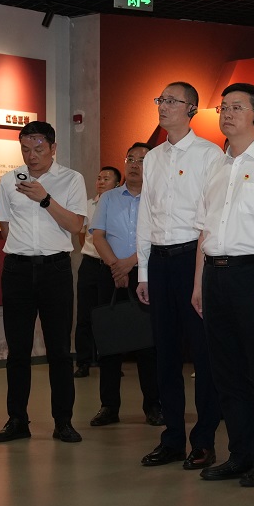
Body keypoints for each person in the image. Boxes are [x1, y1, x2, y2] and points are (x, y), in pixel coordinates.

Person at [190, 83, 254, 486]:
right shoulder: (216, 165)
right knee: (226, 372)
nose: (227, 114)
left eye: (237, 107)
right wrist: (198, 284)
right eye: (223, 107)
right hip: (215, 274)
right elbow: (204, 230)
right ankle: (240, 453)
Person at [136, 81, 224, 469]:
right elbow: (145, 215)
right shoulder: (153, 158)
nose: (163, 106)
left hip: (194, 259)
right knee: (166, 354)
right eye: (160, 99)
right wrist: (143, 272)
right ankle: (171, 437)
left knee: (203, 355)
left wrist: (201, 276)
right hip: (159, 261)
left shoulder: (209, 154)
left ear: (191, 108)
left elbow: (211, 217)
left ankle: (204, 440)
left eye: (172, 100)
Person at [0, 121, 87, 444]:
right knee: (17, 350)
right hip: (17, 270)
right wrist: (22, 251)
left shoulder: (71, 179)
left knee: (59, 350)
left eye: (38, 149)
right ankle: (17, 420)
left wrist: (45, 199)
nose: (31, 156)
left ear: (53, 148)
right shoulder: (9, 180)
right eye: (25, 149)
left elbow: (75, 226)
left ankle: (63, 421)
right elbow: (5, 225)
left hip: (55, 269)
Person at [88, 144, 160, 427]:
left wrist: (130, 263)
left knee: (148, 345)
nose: (135, 164)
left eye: (142, 160)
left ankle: (153, 405)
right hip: (111, 273)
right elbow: (98, 236)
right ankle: (108, 406)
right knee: (109, 342)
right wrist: (116, 266)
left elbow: (157, 238)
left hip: (145, 275)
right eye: (131, 159)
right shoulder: (109, 198)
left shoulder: (157, 197)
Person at [74, 165, 121, 377]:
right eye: (99, 178)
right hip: (90, 264)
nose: (101, 182)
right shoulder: (87, 205)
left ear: (117, 184)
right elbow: (82, 234)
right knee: (84, 315)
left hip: (112, 266)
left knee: (109, 315)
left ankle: (109, 361)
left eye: (106, 179)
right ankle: (83, 361)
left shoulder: (120, 205)